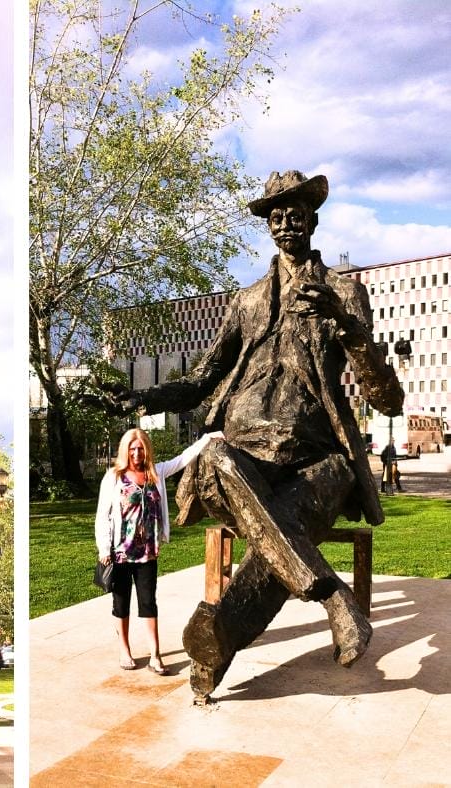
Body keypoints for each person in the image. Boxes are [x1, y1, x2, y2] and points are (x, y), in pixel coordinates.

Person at [94, 171, 404, 700]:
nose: (285, 221)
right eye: (275, 214)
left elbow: (388, 399)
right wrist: (152, 398)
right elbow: (202, 379)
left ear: (313, 217)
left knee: (278, 522)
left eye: (295, 211)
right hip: (242, 456)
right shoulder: (248, 300)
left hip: (318, 458)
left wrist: (346, 327)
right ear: (267, 224)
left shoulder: (345, 293)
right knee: (219, 461)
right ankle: (333, 597)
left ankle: (215, 646)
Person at [95, 429, 223, 674]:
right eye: (132, 449)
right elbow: (102, 515)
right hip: (119, 552)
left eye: (140, 448)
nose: (136, 453)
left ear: (146, 449)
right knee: (121, 603)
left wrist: (207, 438)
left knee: (148, 602)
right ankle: (125, 650)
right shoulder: (114, 476)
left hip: (147, 552)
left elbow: (184, 459)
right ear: (125, 450)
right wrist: (104, 548)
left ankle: (155, 655)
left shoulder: (156, 473)